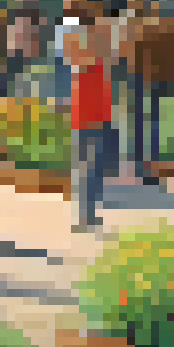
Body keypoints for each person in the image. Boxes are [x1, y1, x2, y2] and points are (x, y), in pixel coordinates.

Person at [123, 0, 174, 186]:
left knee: (143, 124)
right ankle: (145, 168)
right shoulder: (151, 25)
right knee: (145, 124)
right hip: (147, 77)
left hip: (143, 77)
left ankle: (143, 168)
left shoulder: (138, 26)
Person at [65, 19, 113, 233]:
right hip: (85, 121)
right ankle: (86, 215)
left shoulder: (98, 62)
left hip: (95, 121)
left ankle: (88, 215)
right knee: (87, 170)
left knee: (91, 171)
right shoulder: (84, 61)